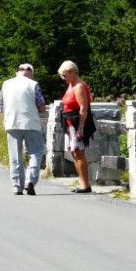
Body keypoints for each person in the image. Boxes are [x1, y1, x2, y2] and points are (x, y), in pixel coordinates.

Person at [0, 63, 46, 195]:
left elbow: (1, 106)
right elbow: (41, 107)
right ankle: (30, 180)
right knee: (36, 152)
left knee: (15, 155)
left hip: (11, 123)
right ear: (30, 72)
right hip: (31, 123)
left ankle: (16, 186)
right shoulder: (33, 84)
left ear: (17, 72)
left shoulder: (6, 84)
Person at [58, 59, 94, 193]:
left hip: (77, 123)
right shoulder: (71, 85)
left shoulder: (79, 86)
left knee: (79, 152)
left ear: (73, 72)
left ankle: (85, 184)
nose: (63, 78)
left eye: (65, 75)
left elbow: (83, 108)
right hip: (69, 123)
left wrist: (81, 128)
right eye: (62, 75)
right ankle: (81, 182)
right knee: (74, 152)